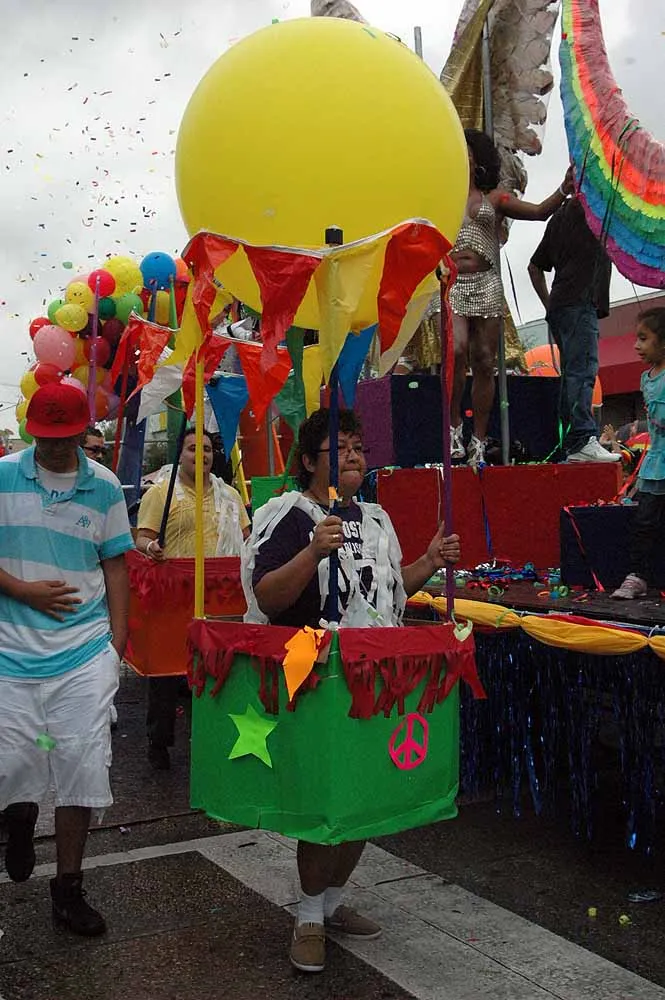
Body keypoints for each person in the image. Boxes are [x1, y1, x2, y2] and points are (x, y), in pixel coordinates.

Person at [242, 408, 461, 974]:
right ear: (309, 460)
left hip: (373, 677)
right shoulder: (288, 514)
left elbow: (386, 595)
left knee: (366, 799)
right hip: (316, 678)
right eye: (340, 448)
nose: (355, 456)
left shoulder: (376, 517)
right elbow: (267, 597)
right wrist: (312, 551)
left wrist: (427, 563)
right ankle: (308, 917)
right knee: (326, 803)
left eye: (360, 447)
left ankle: (332, 904)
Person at [0, 382, 133, 935]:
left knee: (81, 765)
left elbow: (116, 565)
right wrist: (22, 590)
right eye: (44, 438)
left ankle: (69, 887)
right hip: (10, 655)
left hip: (83, 652)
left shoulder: (104, 486)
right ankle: (19, 817)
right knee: (12, 766)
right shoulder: (4, 477)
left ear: (82, 433)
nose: (54, 447)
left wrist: (116, 644)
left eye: (64, 437)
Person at [450, 129, 573, 467]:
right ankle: (453, 426)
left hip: (486, 282)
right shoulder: (441, 196)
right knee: (457, 350)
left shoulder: (494, 198)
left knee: (484, 360)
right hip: (453, 283)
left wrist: (564, 188)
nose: (463, 155)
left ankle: (478, 439)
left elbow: (539, 211)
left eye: (468, 150)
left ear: (477, 159)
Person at [136, 427, 250, 769]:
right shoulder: (160, 494)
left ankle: (215, 740)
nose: (201, 455)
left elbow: (248, 538)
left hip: (220, 598)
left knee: (219, 669)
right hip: (173, 598)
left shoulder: (230, 495)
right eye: (192, 449)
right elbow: (141, 538)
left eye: (207, 449)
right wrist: (151, 548)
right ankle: (159, 742)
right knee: (166, 673)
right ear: (179, 454)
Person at [528, 194, 619, 464]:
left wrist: (549, 306)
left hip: (563, 304)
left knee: (572, 373)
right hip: (579, 302)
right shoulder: (592, 211)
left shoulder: (561, 215)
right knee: (582, 371)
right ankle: (581, 438)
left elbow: (534, 267)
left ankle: (571, 443)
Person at [612, 310, 665, 598]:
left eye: (644, 339)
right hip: (656, 464)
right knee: (645, 522)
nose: (636, 345)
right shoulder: (646, 378)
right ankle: (638, 576)